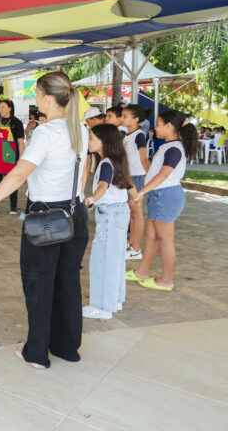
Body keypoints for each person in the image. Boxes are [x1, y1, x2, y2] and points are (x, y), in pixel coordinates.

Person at [0, 71, 89, 369]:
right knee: (68, 283)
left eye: (37, 95)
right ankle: (67, 347)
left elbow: (19, 173)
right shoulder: (81, 129)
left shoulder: (47, 133)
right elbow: (84, 170)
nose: (36, 100)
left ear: (48, 99)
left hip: (47, 218)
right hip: (76, 214)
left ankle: (36, 353)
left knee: (39, 284)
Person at [126, 110, 198, 291]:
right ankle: (142, 271)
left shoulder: (174, 148)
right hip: (159, 196)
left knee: (165, 239)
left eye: (158, 124)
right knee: (150, 237)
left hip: (165, 196)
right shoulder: (167, 146)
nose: (154, 128)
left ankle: (167, 280)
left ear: (169, 126)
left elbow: (164, 174)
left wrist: (141, 191)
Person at [83, 124, 137, 319]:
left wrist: (90, 200)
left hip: (110, 216)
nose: (88, 141)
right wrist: (136, 199)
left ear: (103, 141)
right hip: (119, 214)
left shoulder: (106, 163)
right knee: (115, 260)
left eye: (91, 138)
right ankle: (115, 300)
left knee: (103, 260)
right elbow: (130, 185)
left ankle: (102, 306)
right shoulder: (117, 161)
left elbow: (103, 186)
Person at [121, 105, 150, 262]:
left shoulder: (139, 135)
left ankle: (136, 248)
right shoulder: (127, 134)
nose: (122, 119)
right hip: (128, 177)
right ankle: (131, 245)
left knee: (136, 213)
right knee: (131, 213)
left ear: (136, 119)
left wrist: (150, 177)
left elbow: (144, 158)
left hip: (137, 177)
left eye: (125, 116)